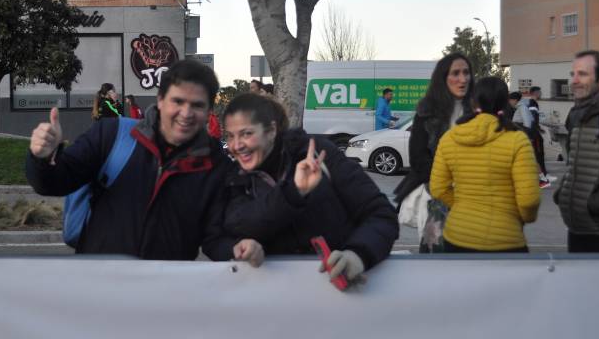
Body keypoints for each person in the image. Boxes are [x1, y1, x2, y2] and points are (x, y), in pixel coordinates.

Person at [26, 59, 238, 260]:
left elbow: (215, 237)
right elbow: (54, 182)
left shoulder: (217, 164)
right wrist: (42, 157)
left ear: (209, 110)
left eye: (197, 105)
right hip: (98, 287)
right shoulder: (111, 134)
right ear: (160, 100)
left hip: (168, 292)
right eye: (178, 101)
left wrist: (241, 249)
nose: (186, 113)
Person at [222, 93, 398, 281]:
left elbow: (381, 215)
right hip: (273, 295)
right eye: (230, 136)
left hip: (339, 291)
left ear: (271, 131)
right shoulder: (235, 178)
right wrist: (244, 246)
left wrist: (357, 255)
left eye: (247, 133)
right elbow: (233, 229)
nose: (236, 145)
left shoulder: (318, 154)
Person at [429, 77, 540, 252]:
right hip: (506, 239)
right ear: (505, 103)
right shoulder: (517, 140)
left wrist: (462, 207)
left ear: (473, 102)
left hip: (457, 235)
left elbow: (437, 188)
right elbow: (529, 200)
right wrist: (520, 218)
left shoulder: (450, 138)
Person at [393, 52, 474, 253]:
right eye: (456, 73)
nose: (462, 79)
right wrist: (446, 180)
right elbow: (418, 158)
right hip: (437, 192)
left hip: (475, 193)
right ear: (443, 77)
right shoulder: (426, 111)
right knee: (436, 252)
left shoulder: (479, 109)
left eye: (466, 73)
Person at [554, 50, 599, 252]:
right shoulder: (577, 113)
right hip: (577, 228)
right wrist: (563, 192)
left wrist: (594, 204)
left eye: (582, 74)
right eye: (572, 74)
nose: (574, 81)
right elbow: (575, 161)